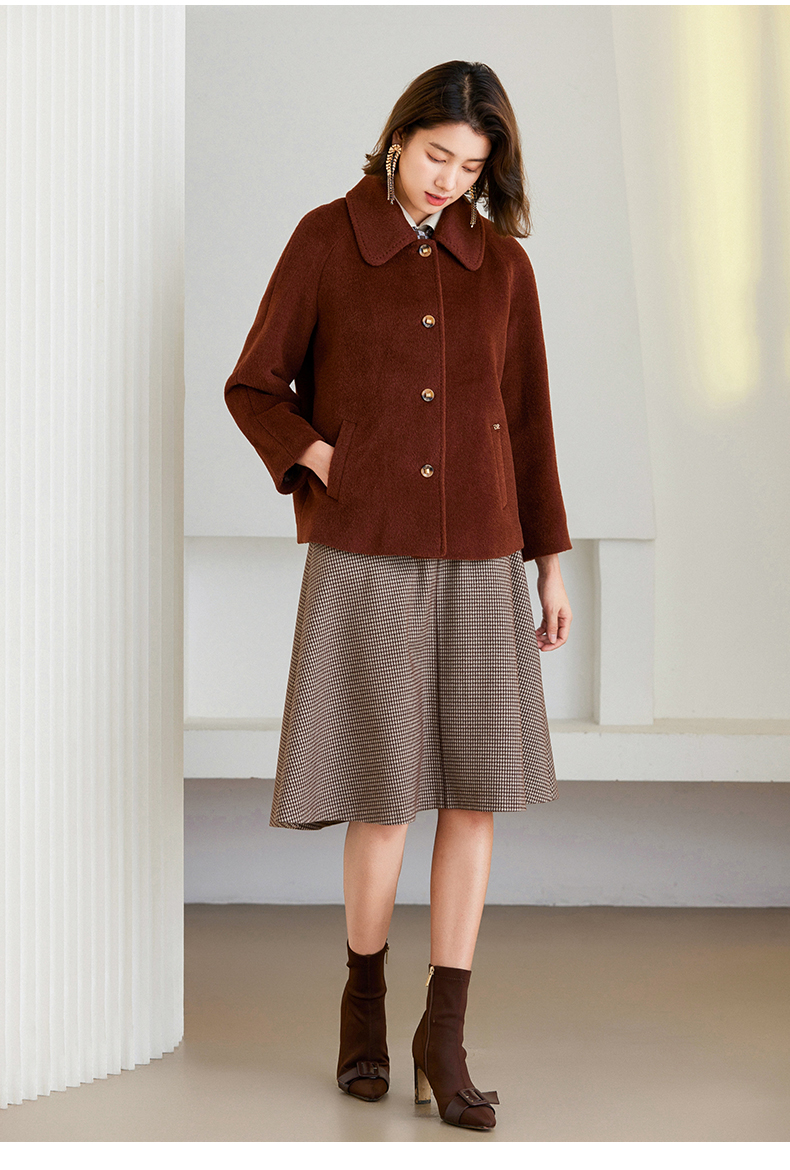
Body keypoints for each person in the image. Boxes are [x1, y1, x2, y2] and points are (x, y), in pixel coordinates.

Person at [224, 59, 573, 1133]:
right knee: (383, 796)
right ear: (398, 137)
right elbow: (254, 384)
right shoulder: (326, 240)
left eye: (470, 167)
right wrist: (322, 456)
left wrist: (550, 560)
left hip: (482, 552)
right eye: (436, 155)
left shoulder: (502, 266)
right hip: (366, 553)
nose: (447, 181)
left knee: (474, 796)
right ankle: (364, 1004)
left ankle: (445, 1035)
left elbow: (528, 418)